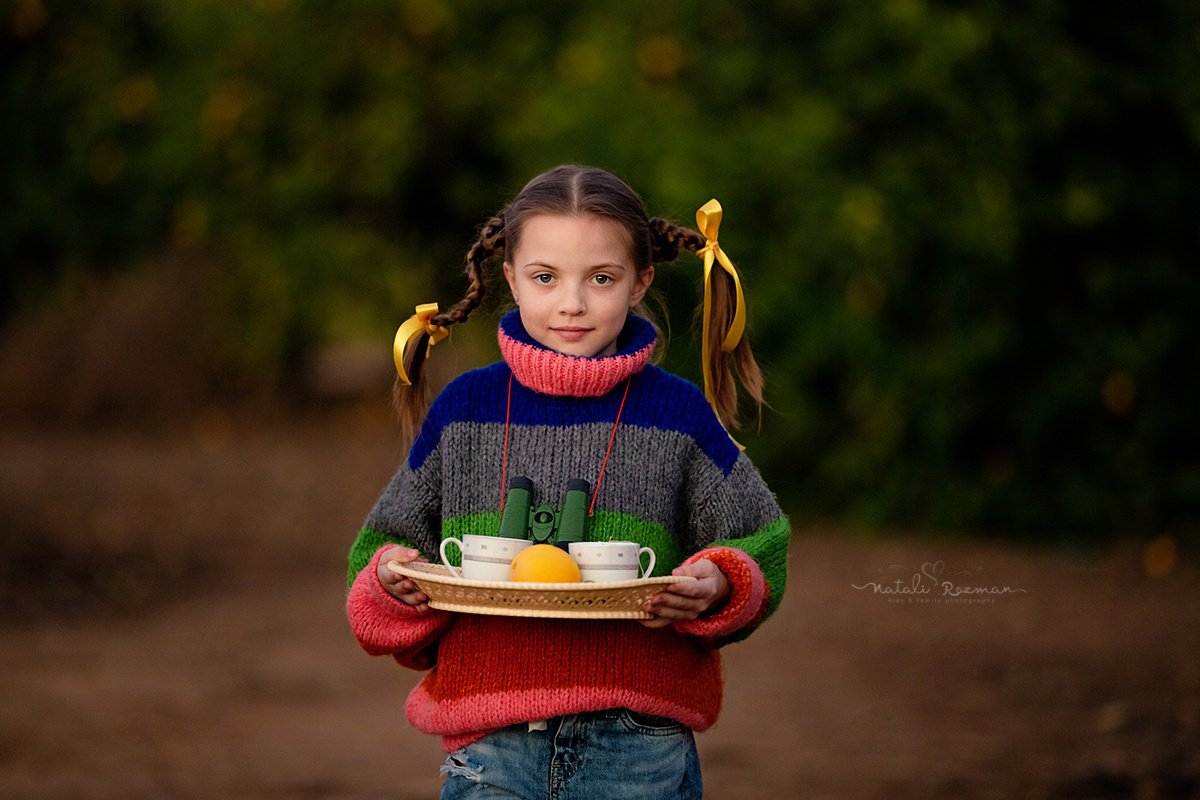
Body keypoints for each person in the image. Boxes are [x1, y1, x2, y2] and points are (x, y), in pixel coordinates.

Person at [346, 165, 790, 799]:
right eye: (546, 278)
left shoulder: (678, 415)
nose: (572, 303)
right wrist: (395, 578)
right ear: (511, 279)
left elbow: (761, 541)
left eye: (601, 279)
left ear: (641, 282)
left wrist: (721, 581)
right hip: (490, 746)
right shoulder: (465, 410)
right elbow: (379, 555)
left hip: (639, 745)